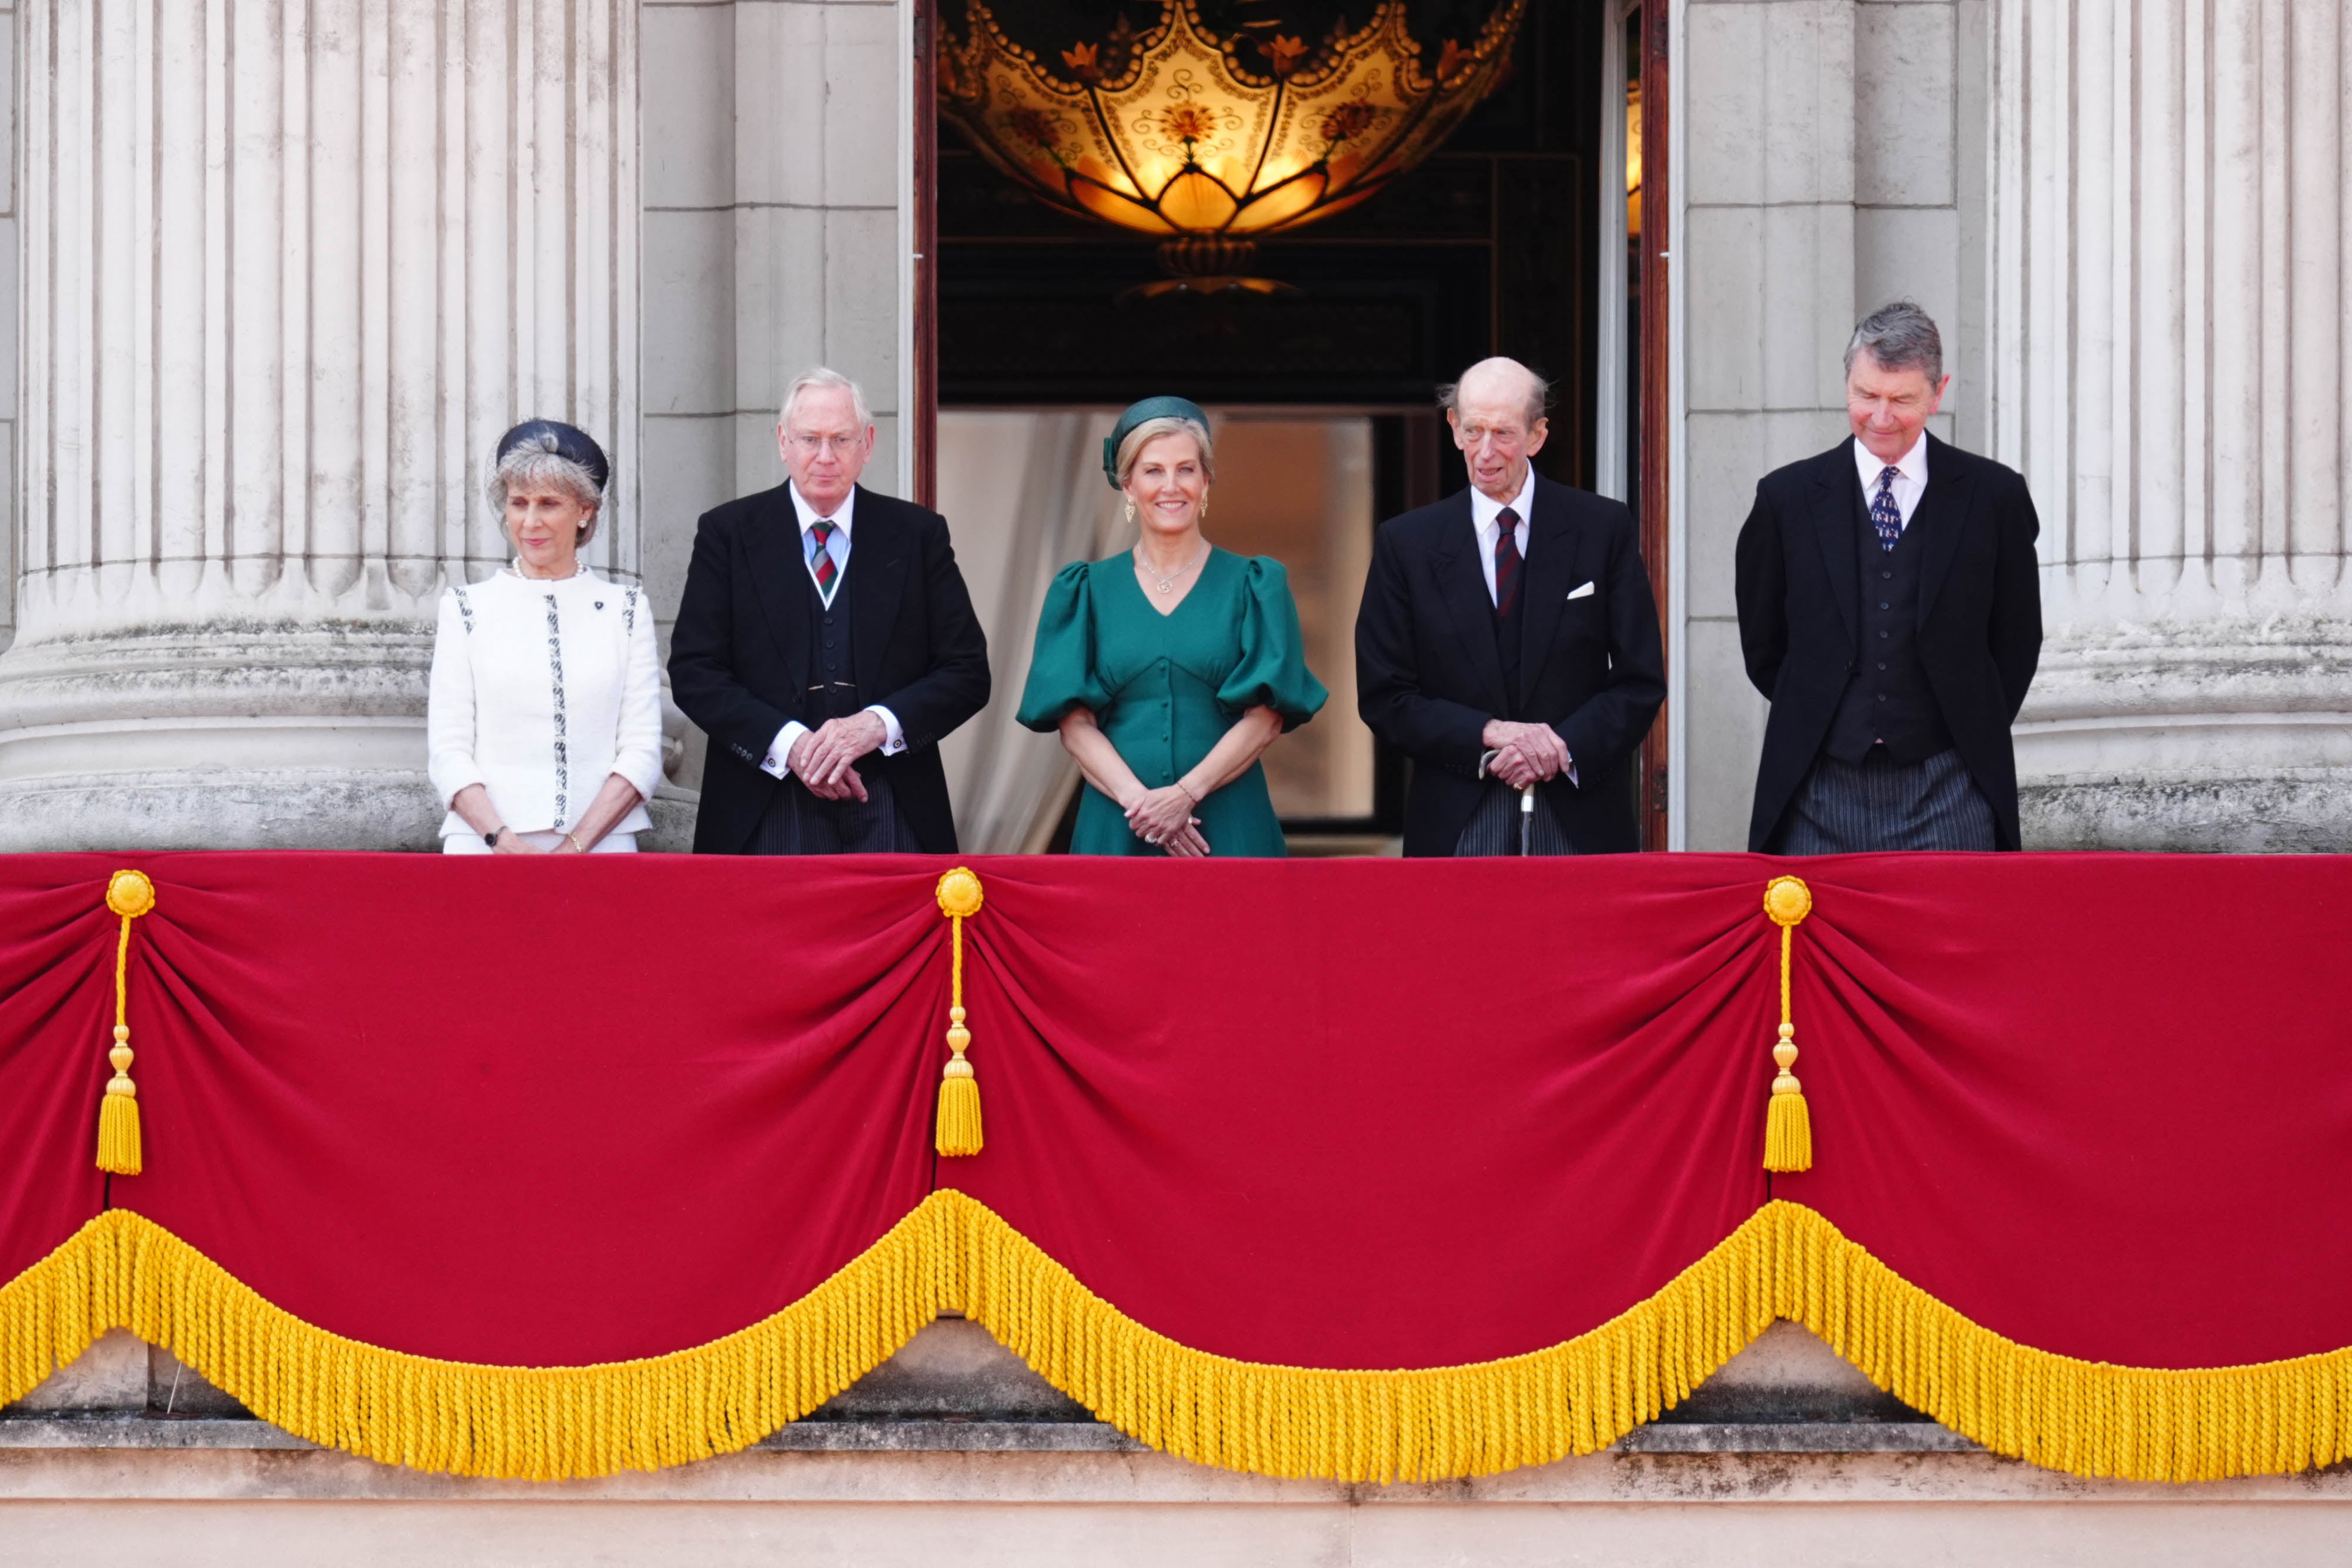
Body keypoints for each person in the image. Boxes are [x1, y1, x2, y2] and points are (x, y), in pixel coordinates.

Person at [1734, 301, 2043, 852]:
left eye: (1901, 399)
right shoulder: (1785, 500)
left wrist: (1965, 723)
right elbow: (1764, 646)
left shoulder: (1995, 498)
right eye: (1866, 395)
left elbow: (2017, 641)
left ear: (1937, 392)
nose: (1880, 417)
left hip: (1952, 789)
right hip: (1818, 791)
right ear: (1847, 383)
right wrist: (1822, 714)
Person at [668, 368, 989, 854]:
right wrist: (792, 745)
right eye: (809, 439)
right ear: (783, 441)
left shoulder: (919, 535)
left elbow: (968, 671)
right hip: (764, 805)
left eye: (841, 439)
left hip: (891, 800)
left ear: (869, 443)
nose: (825, 456)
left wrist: (876, 725)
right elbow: (694, 671)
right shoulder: (727, 534)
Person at [1355, 358, 1665, 855]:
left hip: (1578, 818)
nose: (1484, 452)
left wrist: (1558, 748)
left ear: (1537, 435)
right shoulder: (1406, 543)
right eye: (1473, 429)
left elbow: (1640, 678)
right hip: (1456, 821)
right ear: (1453, 427)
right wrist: (1489, 734)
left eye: (1503, 433)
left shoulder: (1602, 528)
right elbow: (1385, 695)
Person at [1017, 397, 1327, 856]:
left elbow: (1266, 717)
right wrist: (1144, 807)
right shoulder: (1084, 589)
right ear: (1127, 484)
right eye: (1153, 470)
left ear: (1206, 481)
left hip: (1228, 823)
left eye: (1186, 469)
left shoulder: (1255, 585)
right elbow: (1075, 723)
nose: (1171, 486)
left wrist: (1184, 796)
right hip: (1119, 825)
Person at [427, 421, 664, 855]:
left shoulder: (626, 610)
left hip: (602, 851)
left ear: (584, 511)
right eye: (519, 503)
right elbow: (448, 749)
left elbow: (642, 749)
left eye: (549, 503)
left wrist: (575, 848)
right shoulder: (465, 608)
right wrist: (504, 841)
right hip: (484, 850)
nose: (531, 521)